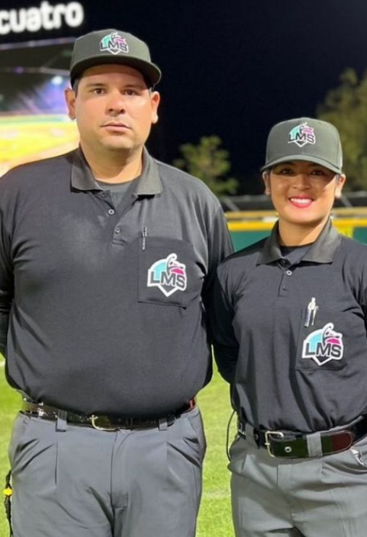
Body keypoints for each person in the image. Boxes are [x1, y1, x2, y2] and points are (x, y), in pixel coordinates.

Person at [0, 29, 233, 537]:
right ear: (71, 103)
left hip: (166, 444)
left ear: (153, 107)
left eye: (130, 91)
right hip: (56, 442)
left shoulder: (195, 201)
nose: (115, 105)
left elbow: (222, 316)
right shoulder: (17, 192)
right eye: (98, 90)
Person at [210, 117, 367, 537]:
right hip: (257, 471)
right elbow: (232, 361)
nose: (300, 184)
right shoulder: (234, 273)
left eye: (317, 172)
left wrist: (343, 404)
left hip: (346, 469)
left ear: (339, 183)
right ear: (267, 181)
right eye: (286, 170)